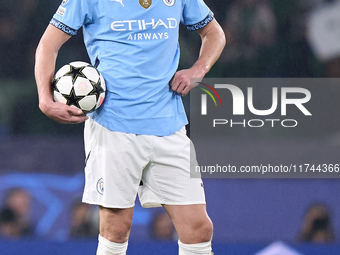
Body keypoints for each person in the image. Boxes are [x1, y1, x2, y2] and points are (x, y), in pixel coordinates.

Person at [35, 0, 225, 254]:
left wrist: (199, 69)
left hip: (169, 122)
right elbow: (48, 45)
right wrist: (45, 99)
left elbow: (214, 33)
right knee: (116, 229)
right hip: (113, 126)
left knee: (199, 230)